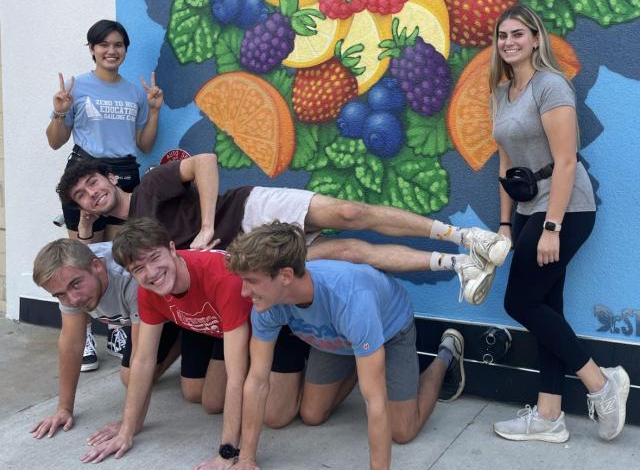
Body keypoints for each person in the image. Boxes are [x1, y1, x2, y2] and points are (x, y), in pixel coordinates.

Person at [56, 153, 513, 306]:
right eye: (81, 195)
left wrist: (208, 225)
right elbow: (79, 259)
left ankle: (466, 236)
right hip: (249, 258)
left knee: (352, 214)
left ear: (110, 178)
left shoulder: (153, 183)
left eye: (93, 182)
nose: (91, 193)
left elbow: (207, 163)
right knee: (350, 252)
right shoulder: (117, 237)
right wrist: (86, 224)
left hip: (251, 210)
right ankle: (458, 266)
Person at [489, 5, 629, 442]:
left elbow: (566, 161)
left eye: (517, 34)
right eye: (502, 35)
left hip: (568, 209)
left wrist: (551, 228)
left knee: (520, 302)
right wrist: (505, 224)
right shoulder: (501, 91)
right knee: (548, 308)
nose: (508, 42)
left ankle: (601, 384)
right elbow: (506, 162)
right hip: (531, 208)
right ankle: (549, 417)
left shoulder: (550, 86)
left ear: (535, 38)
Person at [225, 221, 465, 470]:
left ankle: (445, 356)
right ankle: (358, 362)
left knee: (402, 430)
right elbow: (257, 380)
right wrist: (246, 460)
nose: (243, 292)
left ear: (285, 276)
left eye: (251, 280)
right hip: (333, 338)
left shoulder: (351, 299)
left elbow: (375, 400)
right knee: (312, 415)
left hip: (387, 330)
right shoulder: (266, 302)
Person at [80, 218, 307, 468]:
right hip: (221, 331)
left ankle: (312, 360)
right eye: (139, 269)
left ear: (172, 248)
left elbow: (236, 376)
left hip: (271, 329)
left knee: (276, 415)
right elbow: (144, 360)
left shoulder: (221, 277)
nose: (151, 273)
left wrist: (227, 453)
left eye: (155, 257)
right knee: (208, 401)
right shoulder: (148, 291)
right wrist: (127, 429)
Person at [46, 19, 163, 365]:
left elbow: (143, 144)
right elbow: (55, 142)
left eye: (118, 45)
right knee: (80, 258)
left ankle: (117, 325)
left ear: (125, 50)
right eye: (104, 45)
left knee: (120, 258)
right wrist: (59, 112)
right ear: (92, 49)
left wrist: (153, 111)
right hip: (84, 175)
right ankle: (82, 337)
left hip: (124, 175)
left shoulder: (133, 92)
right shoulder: (75, 87)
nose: (111, 51)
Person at [30, 239, 179, 439]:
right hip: (151, 320)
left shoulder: (129, 277)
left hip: (181, 310)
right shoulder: (67, 279)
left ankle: (185, 331)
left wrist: (129, 425)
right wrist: (64, 409)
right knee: (129, 378)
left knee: (199, 394)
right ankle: (180, 341)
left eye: (76, 284)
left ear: (96, 266)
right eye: (60, 295)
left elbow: (142, 357)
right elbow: (72, 343)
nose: (73, 300)